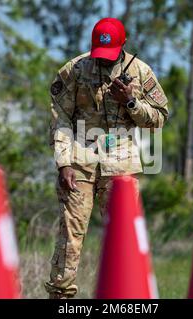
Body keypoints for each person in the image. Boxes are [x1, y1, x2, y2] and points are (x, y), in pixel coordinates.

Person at [45, 17, 169, 299]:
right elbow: (59, 115)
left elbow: (160, 118)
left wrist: (131, 101)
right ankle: (61, 297)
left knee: (123, 238)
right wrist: (64, 161)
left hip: (121, 166)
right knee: (70, 236)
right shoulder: (75, 70)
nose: (103, 61)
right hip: (80, 162)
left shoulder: (140, 71)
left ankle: (124, 297)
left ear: (123, 44)